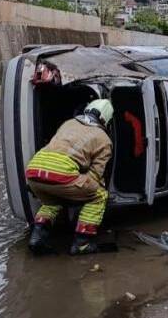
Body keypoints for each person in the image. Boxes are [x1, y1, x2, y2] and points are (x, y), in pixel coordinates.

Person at [25, 99, 114, 256]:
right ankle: (82, 244)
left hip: (33, 171)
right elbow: (95, 175)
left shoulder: (68, 123)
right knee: (99, 195)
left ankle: (37, 237)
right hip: (60, 174)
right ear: (105, 119)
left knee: (52, 200)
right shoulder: (104, 139)